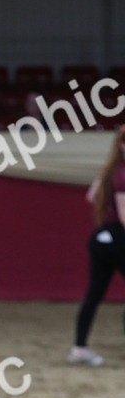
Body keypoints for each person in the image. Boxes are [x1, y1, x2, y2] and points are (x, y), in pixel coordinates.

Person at [67, 123, 125, 366]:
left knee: (94, 292)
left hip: (101, 237)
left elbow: (92, 196)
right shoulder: (123, 175)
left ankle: (79, 347)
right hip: (118, 237)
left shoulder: (110, 170)